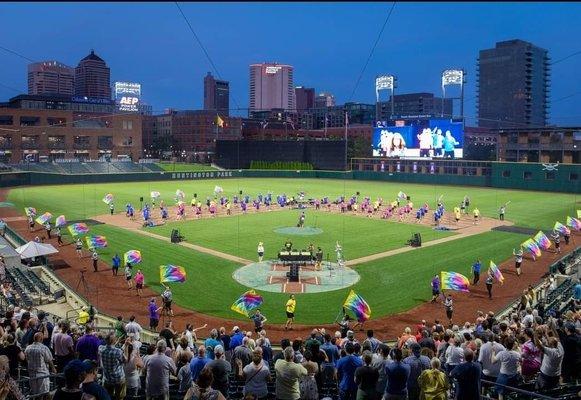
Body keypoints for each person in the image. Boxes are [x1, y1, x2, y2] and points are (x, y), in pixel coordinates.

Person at [25, 332, 55, 397]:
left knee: (35, 394)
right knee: (44, 394)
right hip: (42, 374)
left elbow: (27, 359)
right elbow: (49, 360)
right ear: (41, 339)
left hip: (32, 374)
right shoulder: (44, 348)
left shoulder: (28, 348)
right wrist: (53, 369)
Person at [99, 333, 126, 400]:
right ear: (114, 341)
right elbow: (125, 361)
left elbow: (110, 347)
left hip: (107, 379)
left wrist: (117, 342)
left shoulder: (100, 348)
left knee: (108, 397)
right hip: (118, 379)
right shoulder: (118, 351)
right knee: (119, 397)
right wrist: (127, 346)